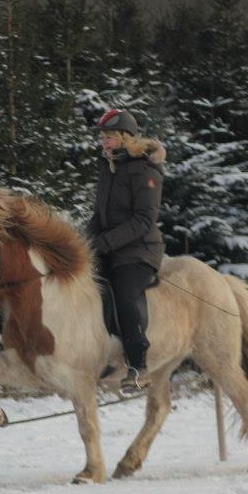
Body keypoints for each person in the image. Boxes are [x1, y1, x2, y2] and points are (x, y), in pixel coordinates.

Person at [87, 109, 167, 390]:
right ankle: (102, 355)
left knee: (123, 292)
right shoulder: (108, 168)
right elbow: (99, 216)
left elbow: (144, 220)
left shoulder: (145, 169)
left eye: (108, 137)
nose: (103, 143)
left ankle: (138, 365)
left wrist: (105, 243)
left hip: (139, 251)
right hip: (109, 249)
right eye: (102, 138)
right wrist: (85, 243)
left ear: (124, 138)